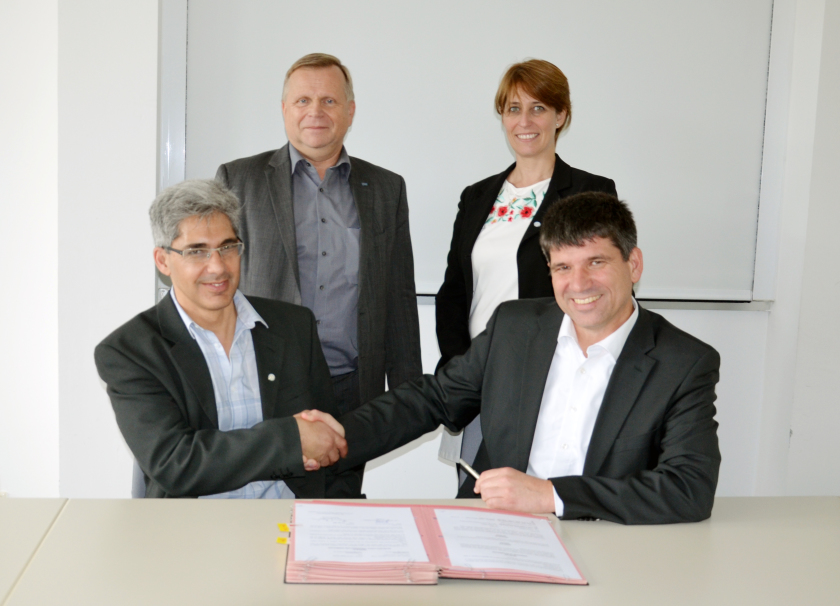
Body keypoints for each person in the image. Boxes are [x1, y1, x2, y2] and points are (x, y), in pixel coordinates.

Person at [306, 192, 721, 524]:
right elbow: (431, 399)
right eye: (562, 267)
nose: (579, 283)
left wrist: (551, 495)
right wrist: (336, 437)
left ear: (633, 264)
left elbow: (688, 489)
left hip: (606, 537)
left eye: (596, 262)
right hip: (497, 528)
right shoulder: (514, 327)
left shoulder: (683, 363)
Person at [94, 179, 358, 499]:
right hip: (194, 531)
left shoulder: (293, 326)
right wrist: (291, 440)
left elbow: (327, 441)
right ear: (163, 260)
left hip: (290, 520)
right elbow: (177, 463)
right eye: (197, 251)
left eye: (227, 247)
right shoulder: (130, 351)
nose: (217, 267)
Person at [435, 59, 618, 476]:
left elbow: (597, 289)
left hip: (551, 376)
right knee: (477, 497)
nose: (525, 121)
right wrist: (458, 366)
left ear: (561, 116)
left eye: (538, 108)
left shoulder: (591, 191)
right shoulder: (477, 196)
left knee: (543, 500)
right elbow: (454, 292)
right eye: (513, 108)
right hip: (481, 375)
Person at [216, 53, 422, 422]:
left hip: (354, 389)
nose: (316, 111)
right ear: (284, 110)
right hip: (263, 384)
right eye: (303, 101)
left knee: (343, 483)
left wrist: (409, 395)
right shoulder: (238, 180)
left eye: (329, 100)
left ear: (350, 111)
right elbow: (216, 282)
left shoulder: (386, 188)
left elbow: (399, 294)